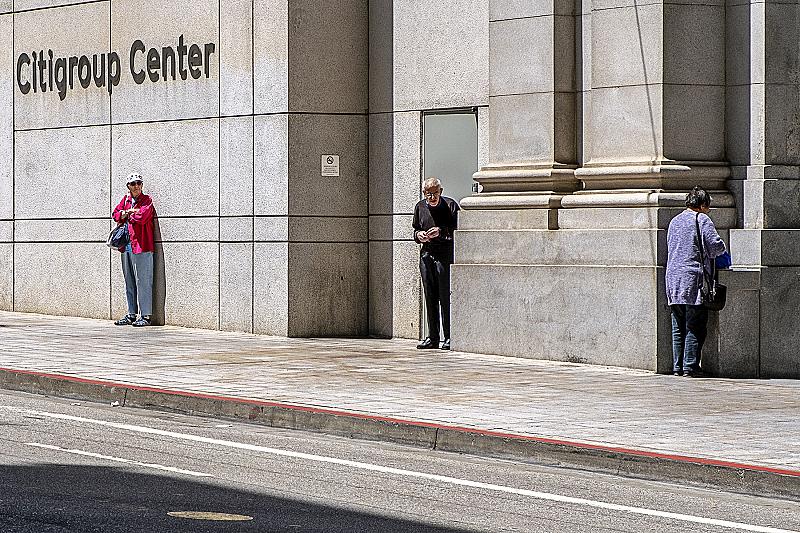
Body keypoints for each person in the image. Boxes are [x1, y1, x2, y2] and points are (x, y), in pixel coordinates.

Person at [666, 186, 727, 377]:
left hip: (673, 280)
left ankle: (678, 366)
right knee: (696, 324)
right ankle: (690, 366)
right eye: (708, 205)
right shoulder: (701, 219)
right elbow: (715, 247)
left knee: (678, 326)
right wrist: (723, 248)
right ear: (702, 205)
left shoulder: (674, 221)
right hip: (693, 279)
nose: (708, 209)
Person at [412, 177, 460, 350]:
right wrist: (419, 236)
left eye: (435, 193)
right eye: (428, 194)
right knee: (430, 295)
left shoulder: (450, 205)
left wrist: (440, 231)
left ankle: (449, 336)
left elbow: (458, 230)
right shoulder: (420, 207)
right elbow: (415, 229)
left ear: (441, 191)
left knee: (445, 295)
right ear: (423, 193)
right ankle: (432, 337)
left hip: (444, 254)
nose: (432, 197)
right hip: (427, 253)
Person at [112, 173, 155, 327]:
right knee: (129, 281)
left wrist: (126, 214)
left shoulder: (147, 200)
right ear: (128, 186)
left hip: (142, 246)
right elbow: (115, 214)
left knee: (143, 281)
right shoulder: (126, 200)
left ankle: (146, 316)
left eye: (139, 183)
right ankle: (131, 314)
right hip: (126, 246)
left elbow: (142, 217)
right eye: (133, 184)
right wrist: (127, 213)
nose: (136, 186)